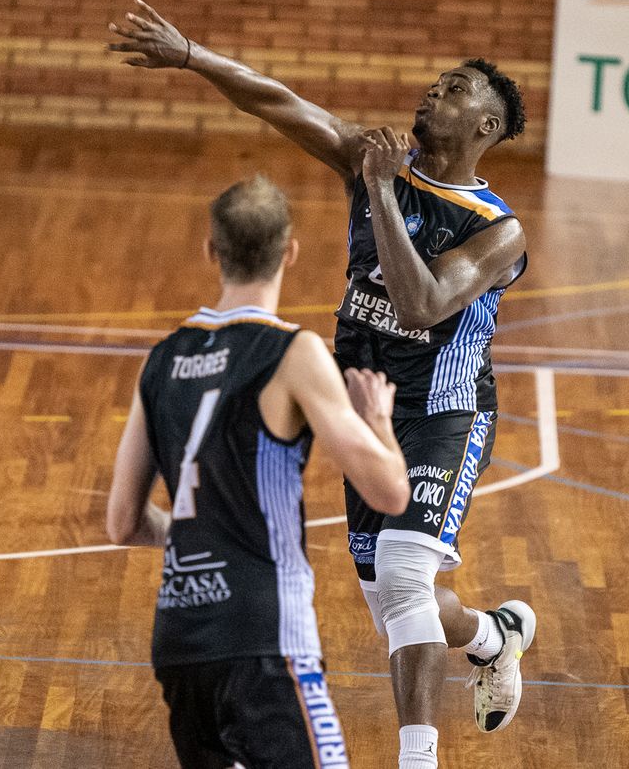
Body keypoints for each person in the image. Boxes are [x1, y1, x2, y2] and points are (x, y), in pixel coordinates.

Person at [109, 2, 536, 769]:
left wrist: (376, 188)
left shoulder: (497, 230)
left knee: (405, 574)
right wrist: (191, 55)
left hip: (445, 408)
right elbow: (278, 100)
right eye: (436, 80)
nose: (434, 91)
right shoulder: (370, 157)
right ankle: (492, 636)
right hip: (364, 398)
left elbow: (421, 304)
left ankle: (418, 758)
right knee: (396, 600)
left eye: (456, 88)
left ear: (486, 128)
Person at [106, 175, 409, 769]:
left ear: (210, 251)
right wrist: (377, 420)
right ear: (291, 250)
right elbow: (391, 490)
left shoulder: (162, 358)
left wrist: (202, 538)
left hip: (180, 639)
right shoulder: (292, 351)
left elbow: (122, 522)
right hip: (265, 635)